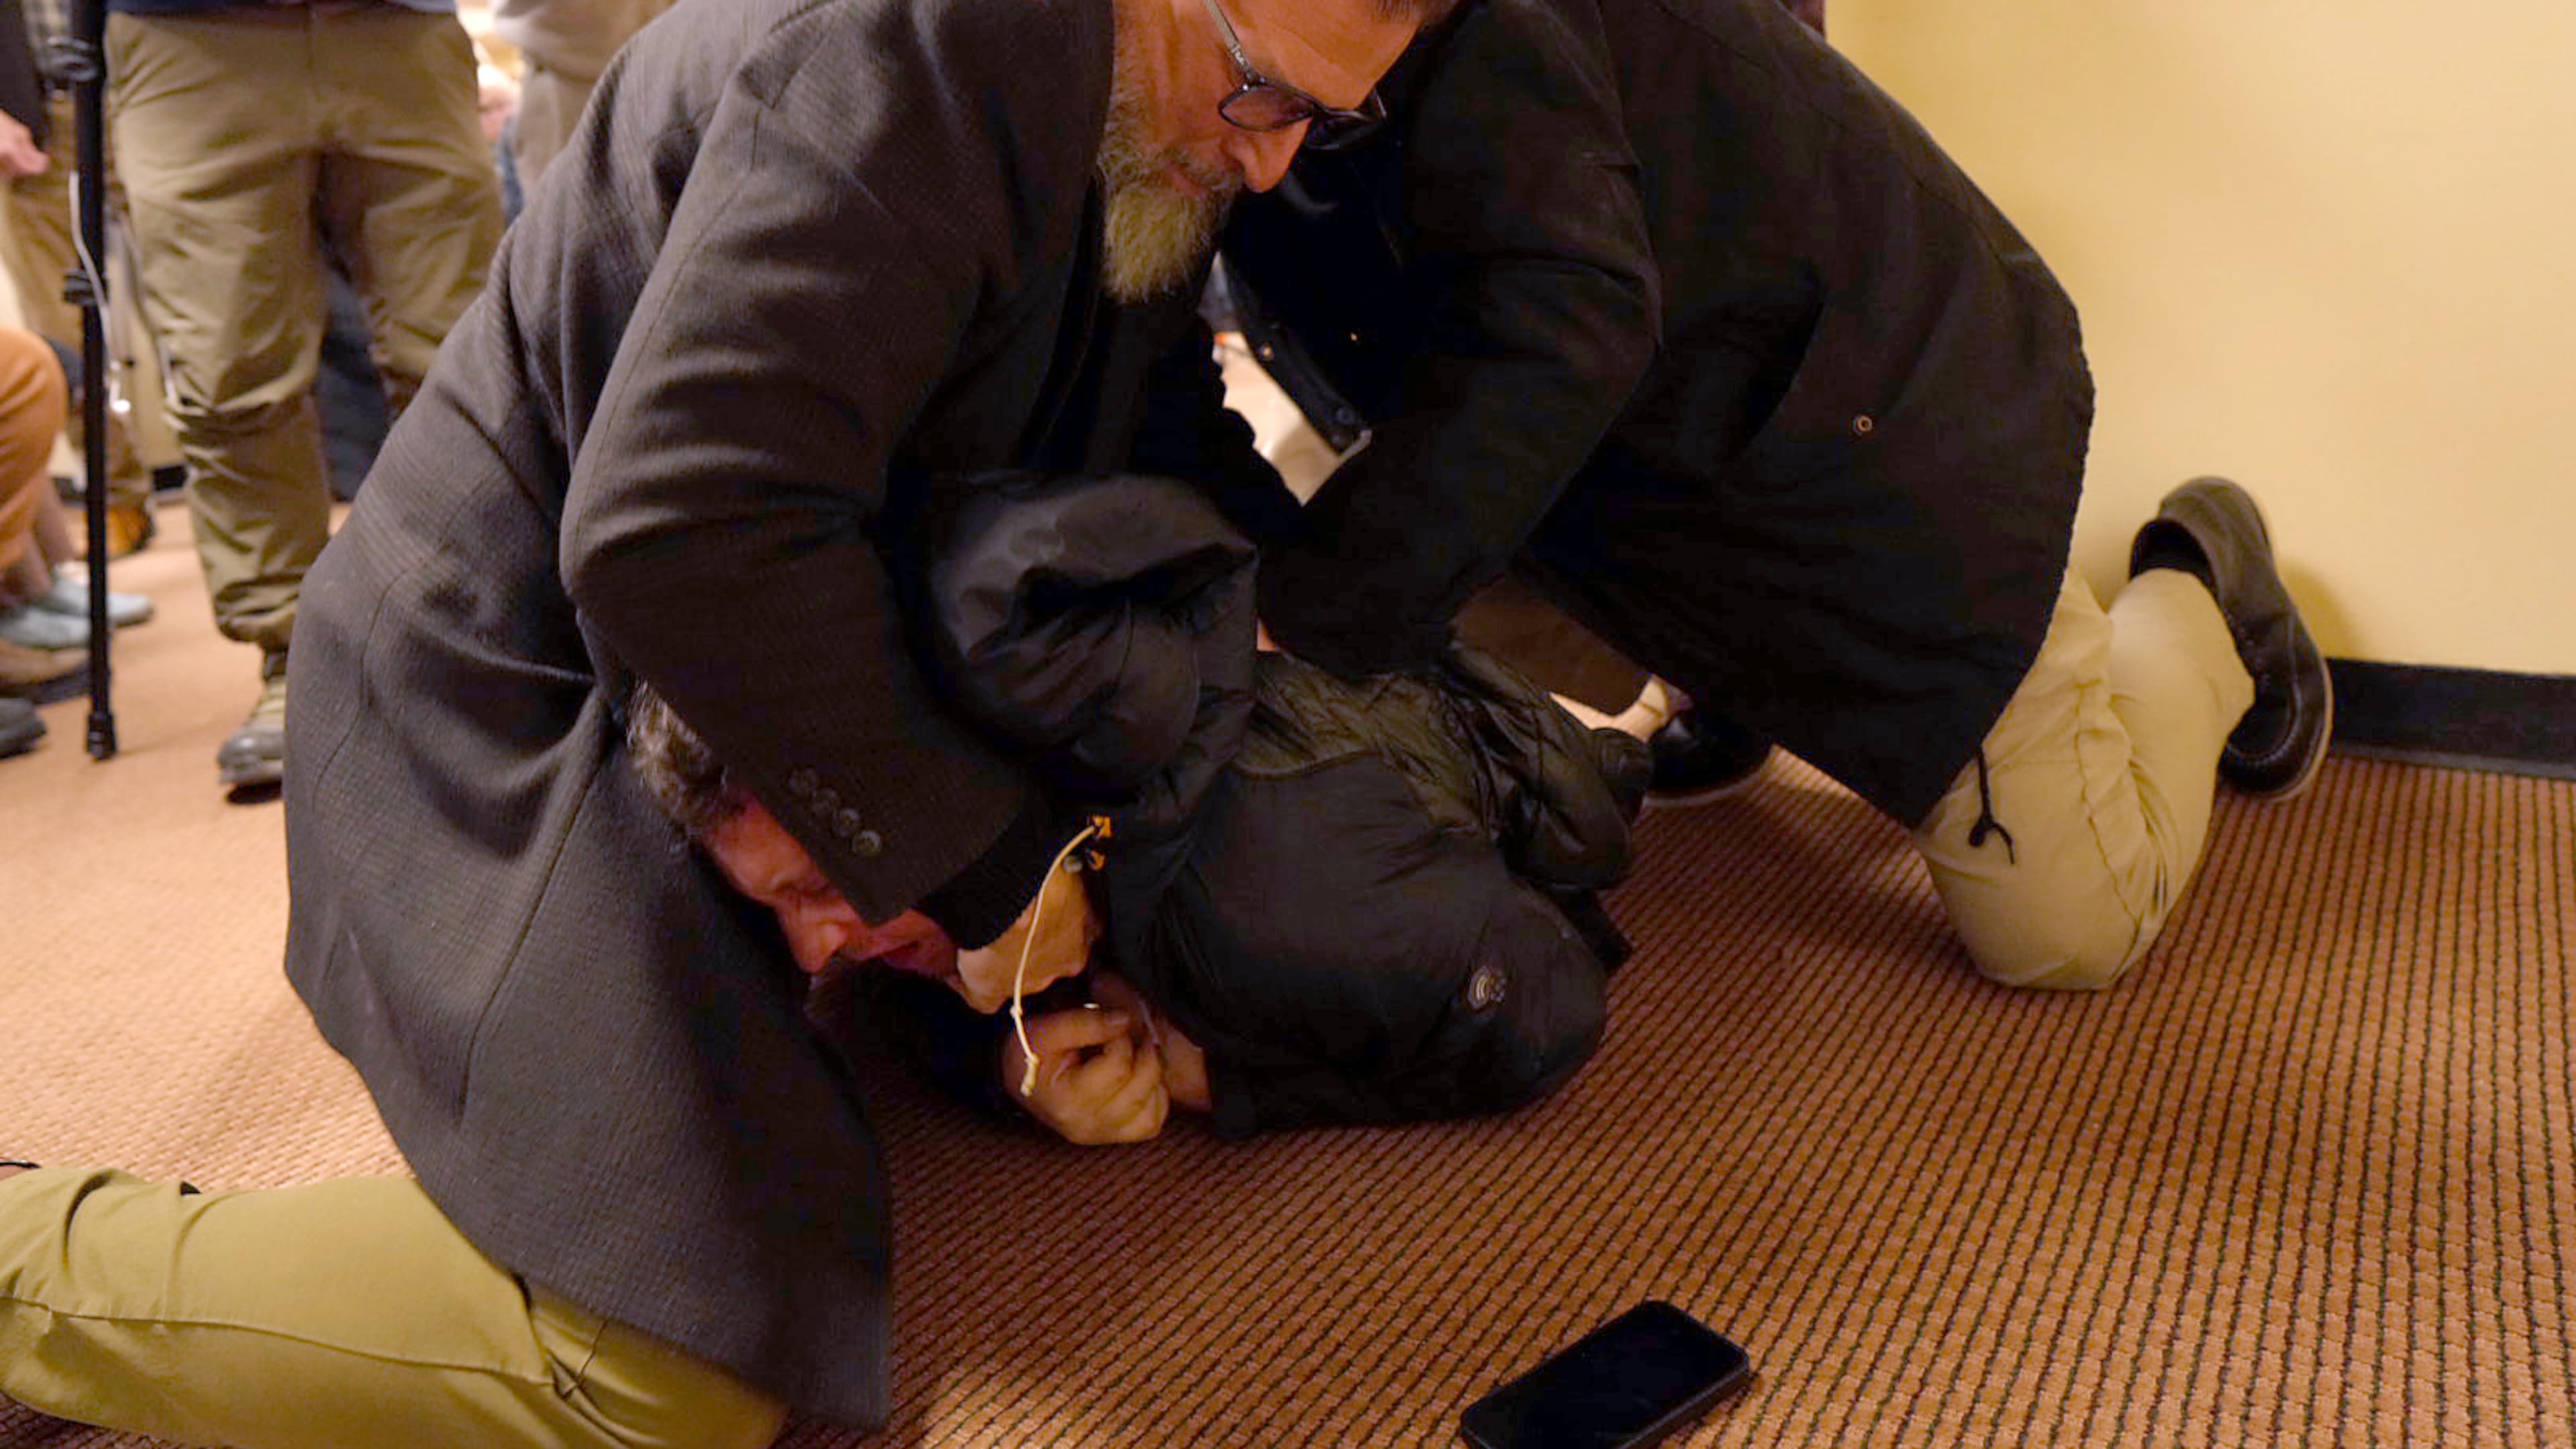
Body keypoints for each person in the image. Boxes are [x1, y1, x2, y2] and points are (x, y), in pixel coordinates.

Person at [1, 0, 1440, 1443]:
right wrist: (999, 874)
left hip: (745, 667)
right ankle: (27, 1261)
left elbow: (1148, 407)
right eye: (1260, 91)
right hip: (515, 686)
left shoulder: (1145, 94)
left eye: (1325, 117)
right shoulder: (915, 47)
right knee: (660, 1365)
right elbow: (677, 538)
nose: (1274, 162)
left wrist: (1308, 636)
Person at [1217, 0, 2333, 992]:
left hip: (1896, 429)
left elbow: (1559, 343)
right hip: (1670, 414)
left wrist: (1301, 621)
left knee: (2068, 930)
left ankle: (2200, 587)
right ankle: (1729, 683)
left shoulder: (1500, 49)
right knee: (1406, 555)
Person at [633, 469, 1644, 1146]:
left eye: (821, 884)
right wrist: (1005, 1066)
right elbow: (903, 1000)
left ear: (940, 788)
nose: (811, 954)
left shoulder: (1260, 904)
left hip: (1482, 769)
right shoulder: (936, 832)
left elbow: (1550, 1008)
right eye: (777, 907)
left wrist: (1229, 1084)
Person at [103, 0, 504, 795]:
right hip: (186, 35)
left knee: (461, 358)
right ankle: (297, 660)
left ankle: (482, 630)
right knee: (231, 376)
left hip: (399, 24)